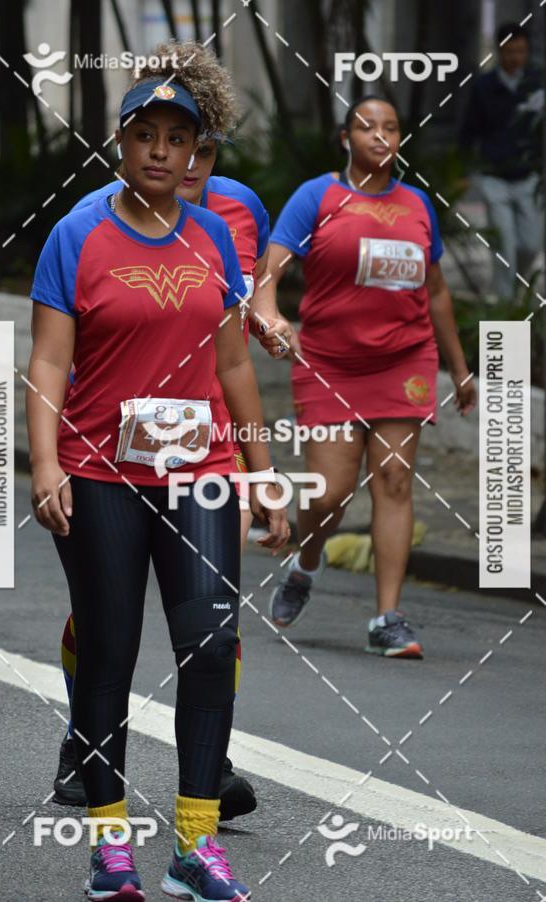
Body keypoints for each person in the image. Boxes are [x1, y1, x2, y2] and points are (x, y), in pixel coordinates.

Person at [27, 68, 289, 900]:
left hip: (200, 474)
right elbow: (47, 362)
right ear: (123, 141)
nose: (162, 151)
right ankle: (110, 851)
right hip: (101, 472)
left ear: (195, 152)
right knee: (108, 652)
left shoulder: (212, 238)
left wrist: (264, 472)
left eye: (179, 139)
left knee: (211, 649)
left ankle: (195, 848)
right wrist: (43, 464)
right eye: (148, 134)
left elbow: (236, 362)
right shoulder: (76, 235)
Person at [261, 96, 476, 657]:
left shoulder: (417, 205)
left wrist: (459, 368)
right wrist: (273, 314)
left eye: (391, 127)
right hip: (329, 363)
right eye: (367, 126)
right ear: (345, 137)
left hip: (404, 361)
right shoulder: (318, 196)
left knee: (395, 483)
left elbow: (434, 291)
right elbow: (272, 268)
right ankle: (307, 562)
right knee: (330, 494)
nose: (380, 136)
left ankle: (388, 617)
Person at [459, 22, 543, 300]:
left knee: (530, 244)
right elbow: (469, 130)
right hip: (494, 177)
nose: (515, 57)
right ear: (499, 51)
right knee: (503, 245)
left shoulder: (537, 83)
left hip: (529, 176)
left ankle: (517, 284)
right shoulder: (484, 86)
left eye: (520, 51)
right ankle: (506, 311)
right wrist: (462, 170)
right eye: (509, 51)